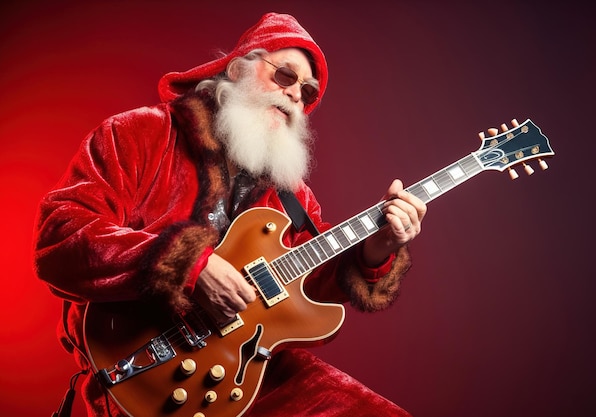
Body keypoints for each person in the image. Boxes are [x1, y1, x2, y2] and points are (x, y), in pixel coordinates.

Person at [34, 12, 427, 417]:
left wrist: (376, 248)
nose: (296, 95)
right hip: (140, 369)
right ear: (237, 69)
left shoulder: (292, 195)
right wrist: (190, 266)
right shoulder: (139, 134)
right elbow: (62, 236)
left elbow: (308, 285)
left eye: (307, 93)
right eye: (285, 77)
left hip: (243, 371)